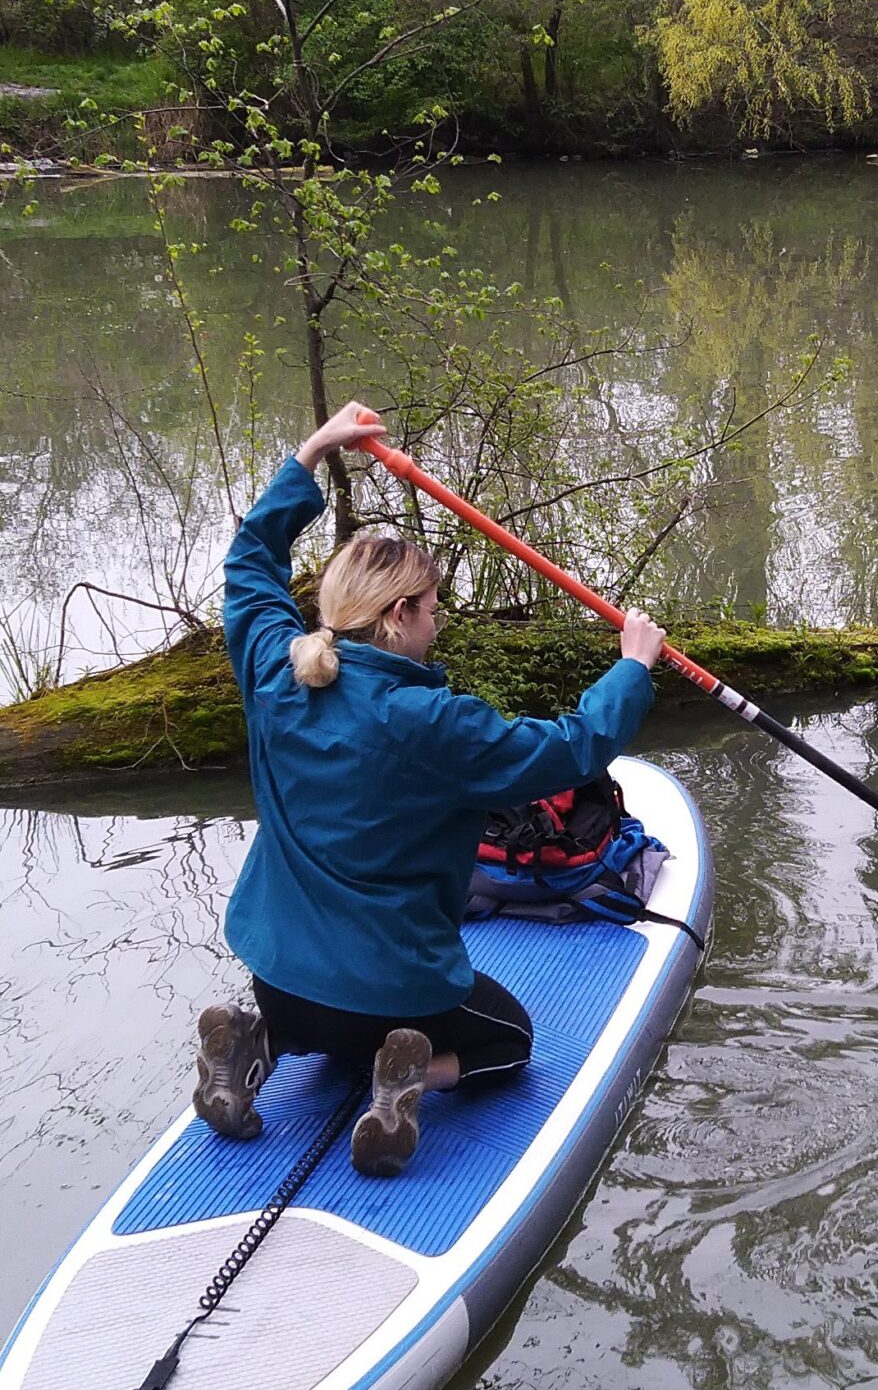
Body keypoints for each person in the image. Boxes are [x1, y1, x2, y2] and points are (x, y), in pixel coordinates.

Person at [193, 400, 666, 1176]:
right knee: (511, 1042)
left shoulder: (273, 669)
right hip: (393, 998)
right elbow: (572, 749)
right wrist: (633, 666)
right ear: (403, 612)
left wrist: (310, 452)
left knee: (304, 1011)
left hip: (277, 976)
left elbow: (250, 561)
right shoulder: (431, 720)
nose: (438, 626)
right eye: (434, 610)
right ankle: (408, 1074)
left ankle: (259, 1041)